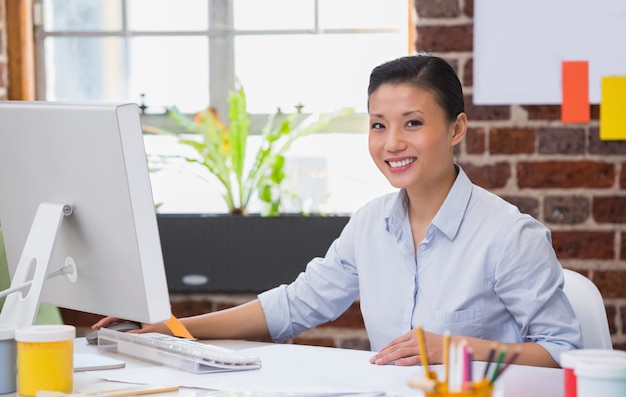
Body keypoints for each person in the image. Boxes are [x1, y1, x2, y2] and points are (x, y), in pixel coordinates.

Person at [93, 54, 582, 368]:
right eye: (377, 125)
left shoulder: (509, 235)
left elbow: (565, 354)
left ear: (457, 129)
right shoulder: (371, 224)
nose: (392, 144)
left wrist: (461, 351)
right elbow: (293, 306)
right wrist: (171, 328)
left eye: (413, 123)